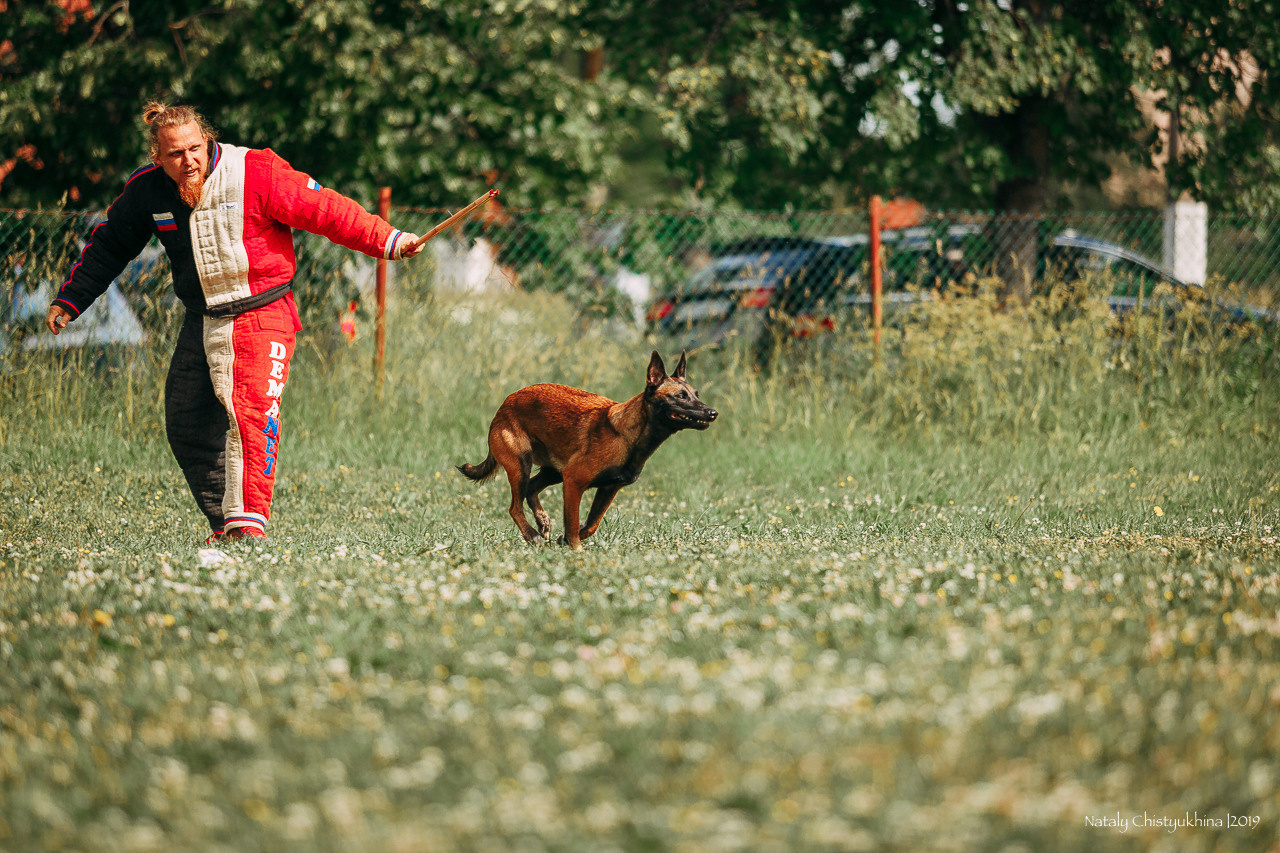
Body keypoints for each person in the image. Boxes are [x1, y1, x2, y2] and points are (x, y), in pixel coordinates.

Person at [47, 101, 423, 545]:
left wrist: (390, 240)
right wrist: (71, 301)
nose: (188, 161)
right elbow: (110, 246)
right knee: (185, 423)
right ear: (157, 159)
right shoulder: (146, 192)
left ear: (207, 141)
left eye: (195, 149)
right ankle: (225, 525)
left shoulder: (256, 171)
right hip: (200, 319)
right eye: (175, 154)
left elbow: (326, 210)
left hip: (263, 312)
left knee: (251, 419)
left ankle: (247, 528)